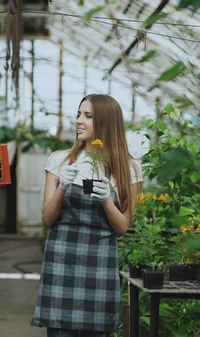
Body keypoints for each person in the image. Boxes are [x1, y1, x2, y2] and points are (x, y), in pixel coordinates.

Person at [31, 94, 143, 337]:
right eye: (79, 114)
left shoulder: (128, 169)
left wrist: (106, 199)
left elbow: (122, 226)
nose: (79, 121)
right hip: (61, 260)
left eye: (88, 116)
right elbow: (48, 219)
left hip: (100, 263)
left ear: (105, 122)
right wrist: (62, 186)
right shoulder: (60, 160)